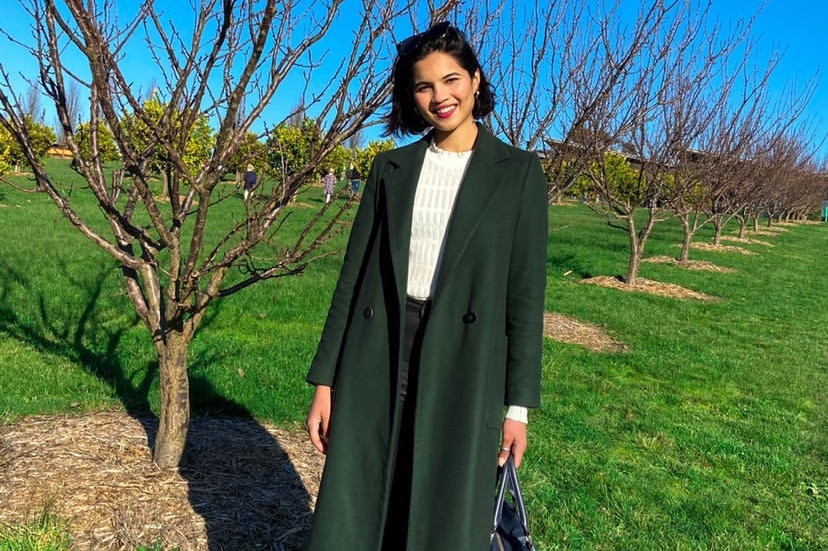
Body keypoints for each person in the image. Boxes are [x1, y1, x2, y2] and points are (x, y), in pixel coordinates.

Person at [304, 20, 547, 551]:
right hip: (381, 345)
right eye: (424, 85)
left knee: (443, 495)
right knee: (366, 493)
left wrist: (518, 408)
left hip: (466, 357)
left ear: (476, 81)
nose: (441, 97)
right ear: (411, 95)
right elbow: (353, 277)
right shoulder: (390, 167)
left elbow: (526, 298)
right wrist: (326, 380)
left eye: (452, 79)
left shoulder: (520, 173)